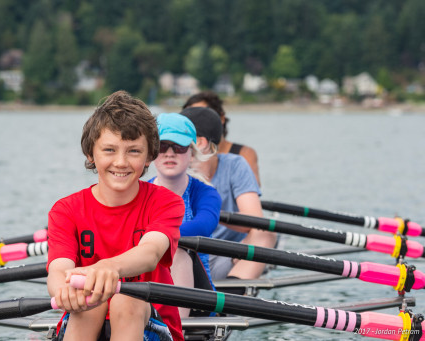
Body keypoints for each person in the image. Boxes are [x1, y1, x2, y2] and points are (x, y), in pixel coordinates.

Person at [47, 91, 184, 341]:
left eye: (133, 151)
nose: (120, 162)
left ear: (149, 157)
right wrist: (63, 292)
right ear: (91, 154)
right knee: (91, 300)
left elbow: (151, 253)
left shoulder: (166, 202)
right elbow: (58, 271)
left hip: (150, 321)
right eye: (109, 150)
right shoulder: (65, 209)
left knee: (124, 300)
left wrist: (106, 267)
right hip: (86, 315)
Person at [180, 106, 277, 281]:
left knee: (265, 233)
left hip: (227, 256)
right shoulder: (174, 171)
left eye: (179, 139)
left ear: (200, 142)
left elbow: (254, 219)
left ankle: (235, 292)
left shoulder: (235, 164)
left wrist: (208, 214)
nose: (169, 149)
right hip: (185, 256)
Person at [148, 113, 221, 318]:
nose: (170, 153)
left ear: (192, 153)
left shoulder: (205, 193)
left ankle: (175, 328)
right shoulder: (138, 192)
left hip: (198, 298)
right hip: (147, 287)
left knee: (178, 249)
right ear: (152, 152)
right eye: (163, 147)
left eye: (179, 147)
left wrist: (152, 238)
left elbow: (204, 225)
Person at [183, 91, 261, 187]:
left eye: (202, 115)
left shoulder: (243, 155)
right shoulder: (183, 156)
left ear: (221, 118)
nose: (195, 122)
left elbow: (252, 187)